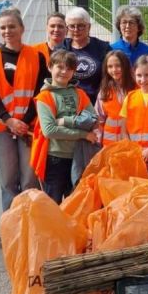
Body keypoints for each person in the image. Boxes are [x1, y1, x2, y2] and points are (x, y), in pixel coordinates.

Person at [0, 8, 48, 211]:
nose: (7, 31)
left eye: (12, 26)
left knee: (30, 179)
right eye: (3, 27)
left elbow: (41, 91)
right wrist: (9, 121)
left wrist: (24, 121)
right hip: (1, 127)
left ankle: (31, 221)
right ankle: (12, 224)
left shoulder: (37, 56)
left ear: (22, 28)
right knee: (8, 180)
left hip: (28, 126)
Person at [31, 50, 97, 204]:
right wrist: (83, 134)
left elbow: (93, 119)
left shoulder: (80, 93)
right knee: (53, 205)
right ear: (50, 67)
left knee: (75, 204)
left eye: (69, 68)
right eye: (60, 67)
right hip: (55, 158)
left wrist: (64, 121)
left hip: (79, 157)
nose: (64, 72)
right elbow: (50, 130)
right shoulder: (45, 97)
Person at [63, 6, 112, 183]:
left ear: (89, 27)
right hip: (69, 113)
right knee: (73, 167)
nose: (76, 30)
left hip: (94, 114)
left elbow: (109, 77)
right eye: (72, 26)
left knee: (94, 164)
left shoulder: (102, 48)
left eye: (81, 26)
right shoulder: (63, 48)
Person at [96, 50, 136, 147]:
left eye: (118, 65)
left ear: (125, 66)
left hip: (132, 142)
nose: (114, 70)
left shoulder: (136, 88)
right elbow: (99, 118)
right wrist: (98, 140)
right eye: (110, 66)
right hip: (110, 144)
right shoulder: (105, 90)